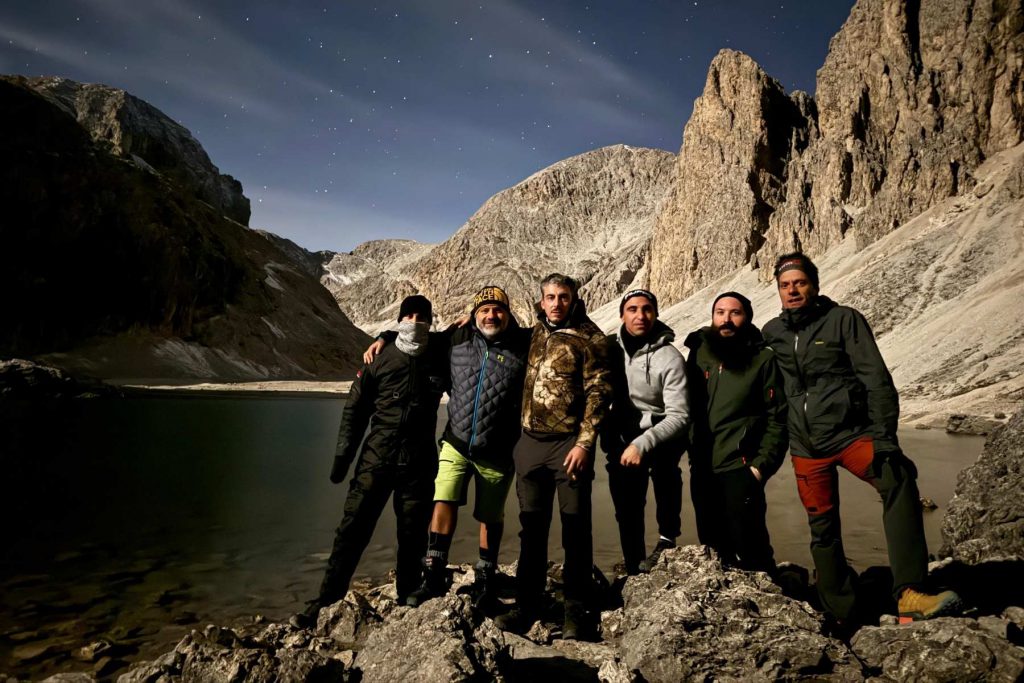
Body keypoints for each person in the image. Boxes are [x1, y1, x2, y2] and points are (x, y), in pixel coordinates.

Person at [762, 252, 961, 627]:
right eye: (785, 285)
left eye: (800, 283)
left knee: (898, 479)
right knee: (822, 528)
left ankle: (910, 593)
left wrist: (884, 438)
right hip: (805, 448)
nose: (793, 290)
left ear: (814, 285)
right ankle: (841, 611)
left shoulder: (843, 320)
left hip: (850, 436)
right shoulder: (772, 332)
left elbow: (877, 380)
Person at [291, 295, 449, 628]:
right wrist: (342, 457)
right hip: (376, 459)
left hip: (419, 463)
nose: (415, 322)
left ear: (430, 322)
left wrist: (386, 335)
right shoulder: (380, 359)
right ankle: (326, 600)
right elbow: (355, 410)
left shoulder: (439, 355)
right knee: (352, 530)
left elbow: (460, 338)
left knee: (413, 534)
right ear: (400, 320)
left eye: (422, 317)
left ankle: (407, 597)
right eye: (409, 316)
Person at [495, 274, 612, 640]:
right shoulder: (534, 333)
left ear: (574, 299)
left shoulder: (591, 338)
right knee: (531, 528)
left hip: (568, 446)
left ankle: (577, 610)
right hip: (530, 444)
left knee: (576, 528)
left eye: (563, 297)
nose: (557, 303)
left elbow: (599, 393)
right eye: (550, 297)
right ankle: (527, 605)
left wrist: (584, 444)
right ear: (541, 301)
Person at [400, 286, 532, 610]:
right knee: (443, 498)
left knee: (490, 516)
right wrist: (384, 337)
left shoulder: (523, 345)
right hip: (456, 442)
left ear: (508, 314)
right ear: (474, 315)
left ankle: (485, 578)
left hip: (498, 449)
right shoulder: (456, 340)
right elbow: (416, 338)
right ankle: (433, 574)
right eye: (484, 310)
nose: (491, 315)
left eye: (498, 309)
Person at [683, 291, 787, 574]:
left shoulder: (763, 359)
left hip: (740, 466)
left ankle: (767, 593)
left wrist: (760, 466)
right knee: (712, 545)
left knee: (751, 544)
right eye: (720, 313)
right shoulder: (700, 352)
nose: (726, 319)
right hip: (703, 465)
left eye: (735, 313)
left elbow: (778, 418)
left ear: (747, 318)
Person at [601, 288, 689, 575]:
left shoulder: (670, 358)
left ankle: (667, 541)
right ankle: (633, 564)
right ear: (622, 315)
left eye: (647, 309)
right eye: (633, 309)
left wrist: (643, 443)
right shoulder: (609, 349)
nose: (640, 315)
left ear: (656, 314)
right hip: (622, 434)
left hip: (661, 431)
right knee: (626, 504)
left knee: (666, 476)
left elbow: (679, 414)